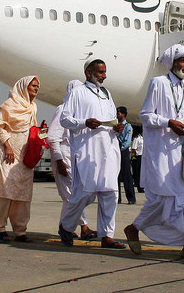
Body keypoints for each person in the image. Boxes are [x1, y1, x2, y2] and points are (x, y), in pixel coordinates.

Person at [124, 44, 184, 259]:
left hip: (182, 152)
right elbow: (146, 115)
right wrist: (168, 122)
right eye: (183, 61)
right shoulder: (159, 84)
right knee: (163, 198)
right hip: (161, 152)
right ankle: (134, 228)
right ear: (172, 62)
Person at [58, 59, 127, 249]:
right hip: (87, 150)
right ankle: (67, 226)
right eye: (100, 72)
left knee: (110, 193)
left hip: (109, 149)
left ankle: (107, 236)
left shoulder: (106, 94)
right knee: (85, 193)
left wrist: (117, 127)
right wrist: (84, 122)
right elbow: (65, 120)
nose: (104, 76)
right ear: (89, 73)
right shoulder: (77, 93)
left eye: (105, 72)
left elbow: (111, 121)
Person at [0, 76, 40, 243]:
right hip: (8, 154)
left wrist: (41, 135)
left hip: (25, 156)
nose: (36, 89)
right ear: (24, 87)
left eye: (37, 86)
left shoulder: (32, 107)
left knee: (23, 193)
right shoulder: (9, 105)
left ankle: (20, 230)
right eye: (33, 86)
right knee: (6, 190)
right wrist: (8, 146)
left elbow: (32, 128)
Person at [47, 79, 97, 239]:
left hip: (76, 159)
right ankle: (83, 227)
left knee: (75, 195)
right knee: (71, 196)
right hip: (64, 158)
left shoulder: (80, 113)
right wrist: (59, 160)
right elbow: (53, 137)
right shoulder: (63, 110)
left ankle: (66, 226)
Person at [117, 106, 135, 205]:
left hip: (123, 151)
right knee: (116, 175)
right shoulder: (116, 126)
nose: (118, 115)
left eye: (119, 113)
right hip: (117, 150)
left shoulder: (128, 126)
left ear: (124, 114)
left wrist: (121, 148)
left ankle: (131, 197)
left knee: (127, 175)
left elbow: (127, 141)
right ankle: (117, 198)